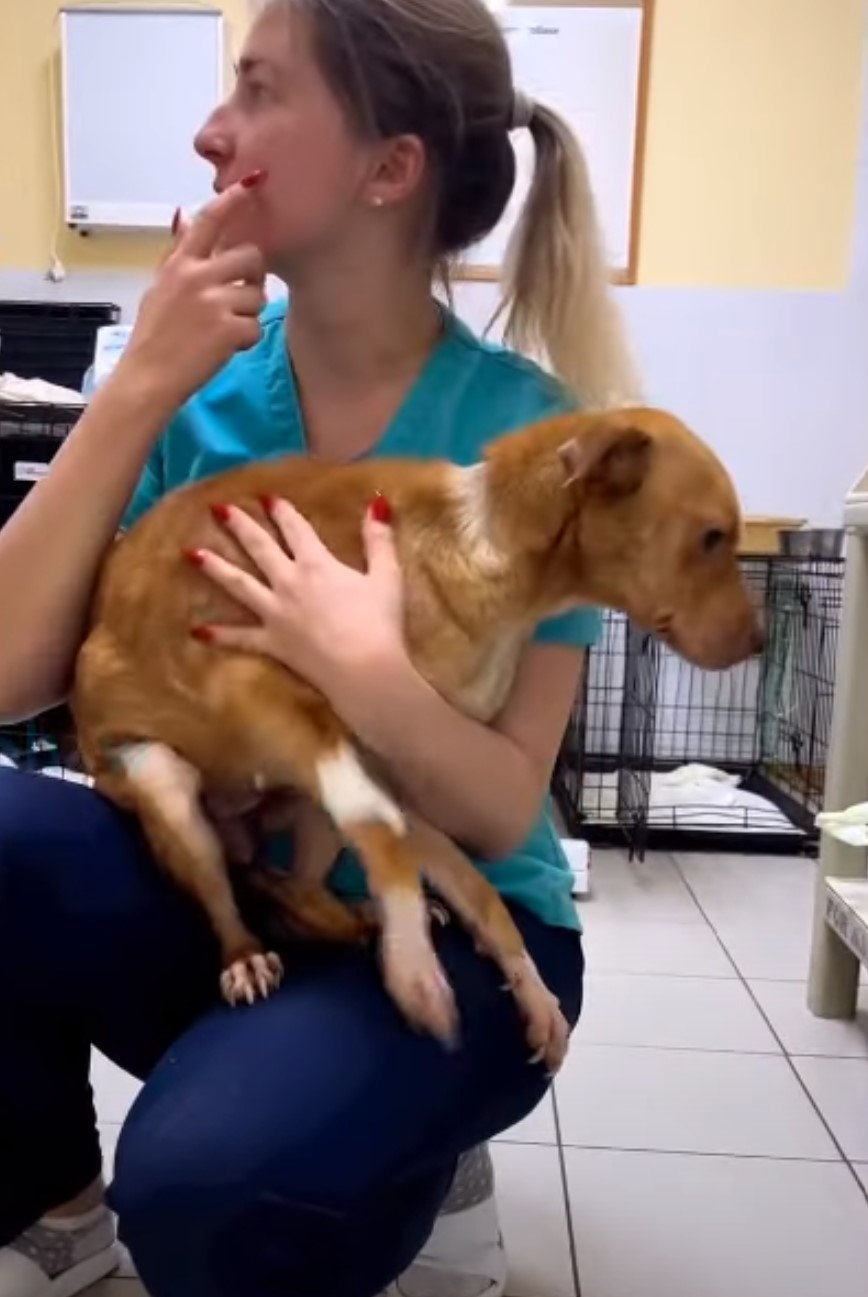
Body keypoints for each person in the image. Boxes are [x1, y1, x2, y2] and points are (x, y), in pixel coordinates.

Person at [0, 0, 639, 1294]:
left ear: (387, 168)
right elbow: (14, 674)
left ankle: (403, 1128)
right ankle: (59, 1205)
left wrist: (360, 667)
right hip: (262, 881)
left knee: (205, 1183)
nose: (204, 132)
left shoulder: (535, 440)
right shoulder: (196, 390)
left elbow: (508, 799)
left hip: (464, 916)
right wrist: (135, 389)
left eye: (257, 90)